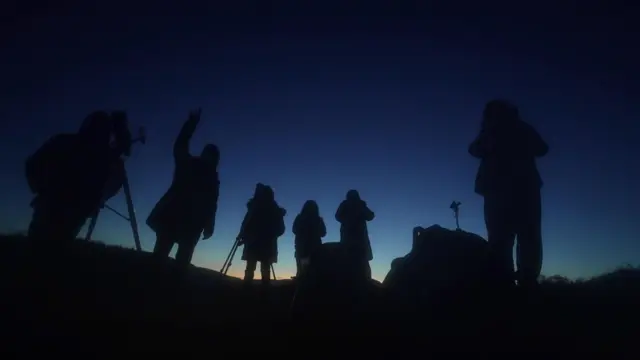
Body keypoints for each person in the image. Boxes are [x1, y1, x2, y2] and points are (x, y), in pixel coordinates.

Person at [469, 99, 549, 290]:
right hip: (506, 191)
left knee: (519, 238)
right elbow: (474, 149)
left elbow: (542, 148)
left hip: (518, 190)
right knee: (506, 239)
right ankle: (509, 283)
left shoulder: (517, 129)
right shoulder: (491, 132)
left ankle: (523, 282)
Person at [25, 111, 130, 249]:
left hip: (55, 210)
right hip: (58, 210)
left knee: (43, 248)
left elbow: (33, 165)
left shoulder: (64, 141)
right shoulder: (103, 159)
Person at [146, 109, 220, 272]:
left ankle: (170, 288)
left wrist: (209, 224)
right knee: (161, 256)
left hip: (189, 223)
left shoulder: (211, 178)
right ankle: (154, 286)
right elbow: (180, 146)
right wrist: (190, 125)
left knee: (177, 262)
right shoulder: (190, 165)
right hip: (175, 217)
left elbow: (212, 204)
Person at [237, 184, 286, 286]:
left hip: (255, 243)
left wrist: (243, 236)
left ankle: (246, 292)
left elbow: (247, 224)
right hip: (266, 244)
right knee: (263, 269)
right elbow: (280, 230)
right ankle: (264, 294)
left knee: (252, 268)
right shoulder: (273, 210)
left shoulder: (255, 208)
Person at [335, 189, 375, 281]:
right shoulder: (359, 204)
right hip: (358, 238)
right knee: (361, 261)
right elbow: (370, 216)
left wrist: (346, 221)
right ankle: (364, 281)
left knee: (351, 260)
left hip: (350, 237)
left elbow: (337, 216)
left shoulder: (346, 204)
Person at [292, 200, 326, 277]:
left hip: (302, 249)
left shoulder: (300, 218)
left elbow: (294, 230)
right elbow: (323, 233)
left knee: (303, 272)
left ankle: (302, 287)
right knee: (314, 272)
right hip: (315, 249)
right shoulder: (318, 220)